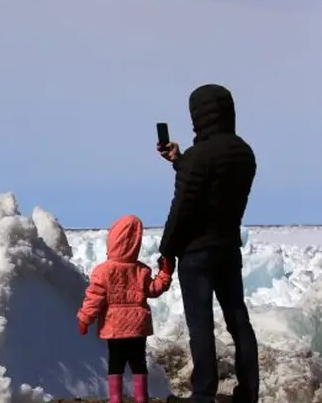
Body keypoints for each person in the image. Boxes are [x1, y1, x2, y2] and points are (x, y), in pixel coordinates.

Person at [157, 83, 260, 403]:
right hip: (228, 248)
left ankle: (203, 393)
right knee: (238, 320)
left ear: (198, 116)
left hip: (197, 254)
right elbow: (214, 183)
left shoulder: (198, 157)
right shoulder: (244, 152)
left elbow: (184, 206)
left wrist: (166, 251)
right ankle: (249, 392)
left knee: (200, 323)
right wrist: (180, 160)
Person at [77, 214, 174, 403]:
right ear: (136, 243)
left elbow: (94, 298)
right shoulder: (142, 270)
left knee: (116, 362)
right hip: (138, 326)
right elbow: (154, 290)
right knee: (138, 362)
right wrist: (165, 273)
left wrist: (85, 318)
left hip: (115, 327)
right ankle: (140, 397)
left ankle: (115, 398)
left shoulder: (103, 271)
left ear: (111, 241)